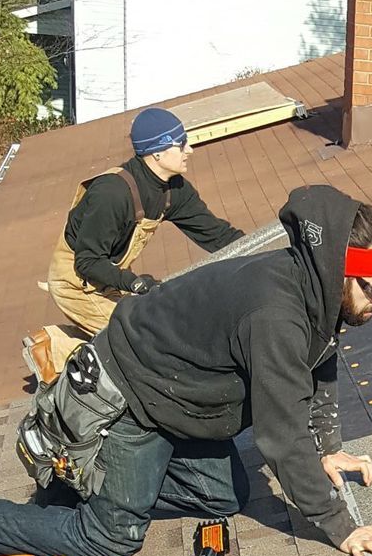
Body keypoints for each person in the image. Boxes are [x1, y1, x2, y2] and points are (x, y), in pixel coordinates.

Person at [0, 186, 372, 556]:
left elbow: (321, 360)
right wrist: (341, 527)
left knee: (224, 497)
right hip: (132, 400)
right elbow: (279, 434)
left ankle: (95, 485)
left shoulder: (315, 291)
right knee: (111, 540)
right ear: (339, 271)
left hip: (174, 400)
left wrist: (327, 446)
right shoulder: (277, 314)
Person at [22, 104, 242, 386]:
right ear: (157, 152)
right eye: (181, 143)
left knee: (146, 331)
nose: (190, 149)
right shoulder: (112, 193)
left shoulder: (173, 190)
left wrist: (264, 255)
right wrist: (135, 284)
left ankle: (65, 341)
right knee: (144, 344)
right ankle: (55, 347)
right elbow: (87, 262)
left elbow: (218, 236)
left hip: (109, 278)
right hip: (76, 282)